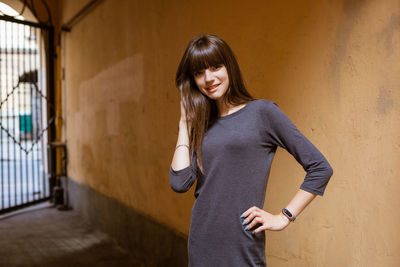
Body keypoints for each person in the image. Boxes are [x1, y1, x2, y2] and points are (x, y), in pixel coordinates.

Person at [169, 34, 333, 267]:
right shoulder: (201, 125)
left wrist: (284, 217)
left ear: (229, 67)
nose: (209, 78)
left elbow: (320, 168)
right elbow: (179, 182)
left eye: (216, 67)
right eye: (198, 72)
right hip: (201, 242)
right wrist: (184, 124)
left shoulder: (262, 113)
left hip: (242, 242)